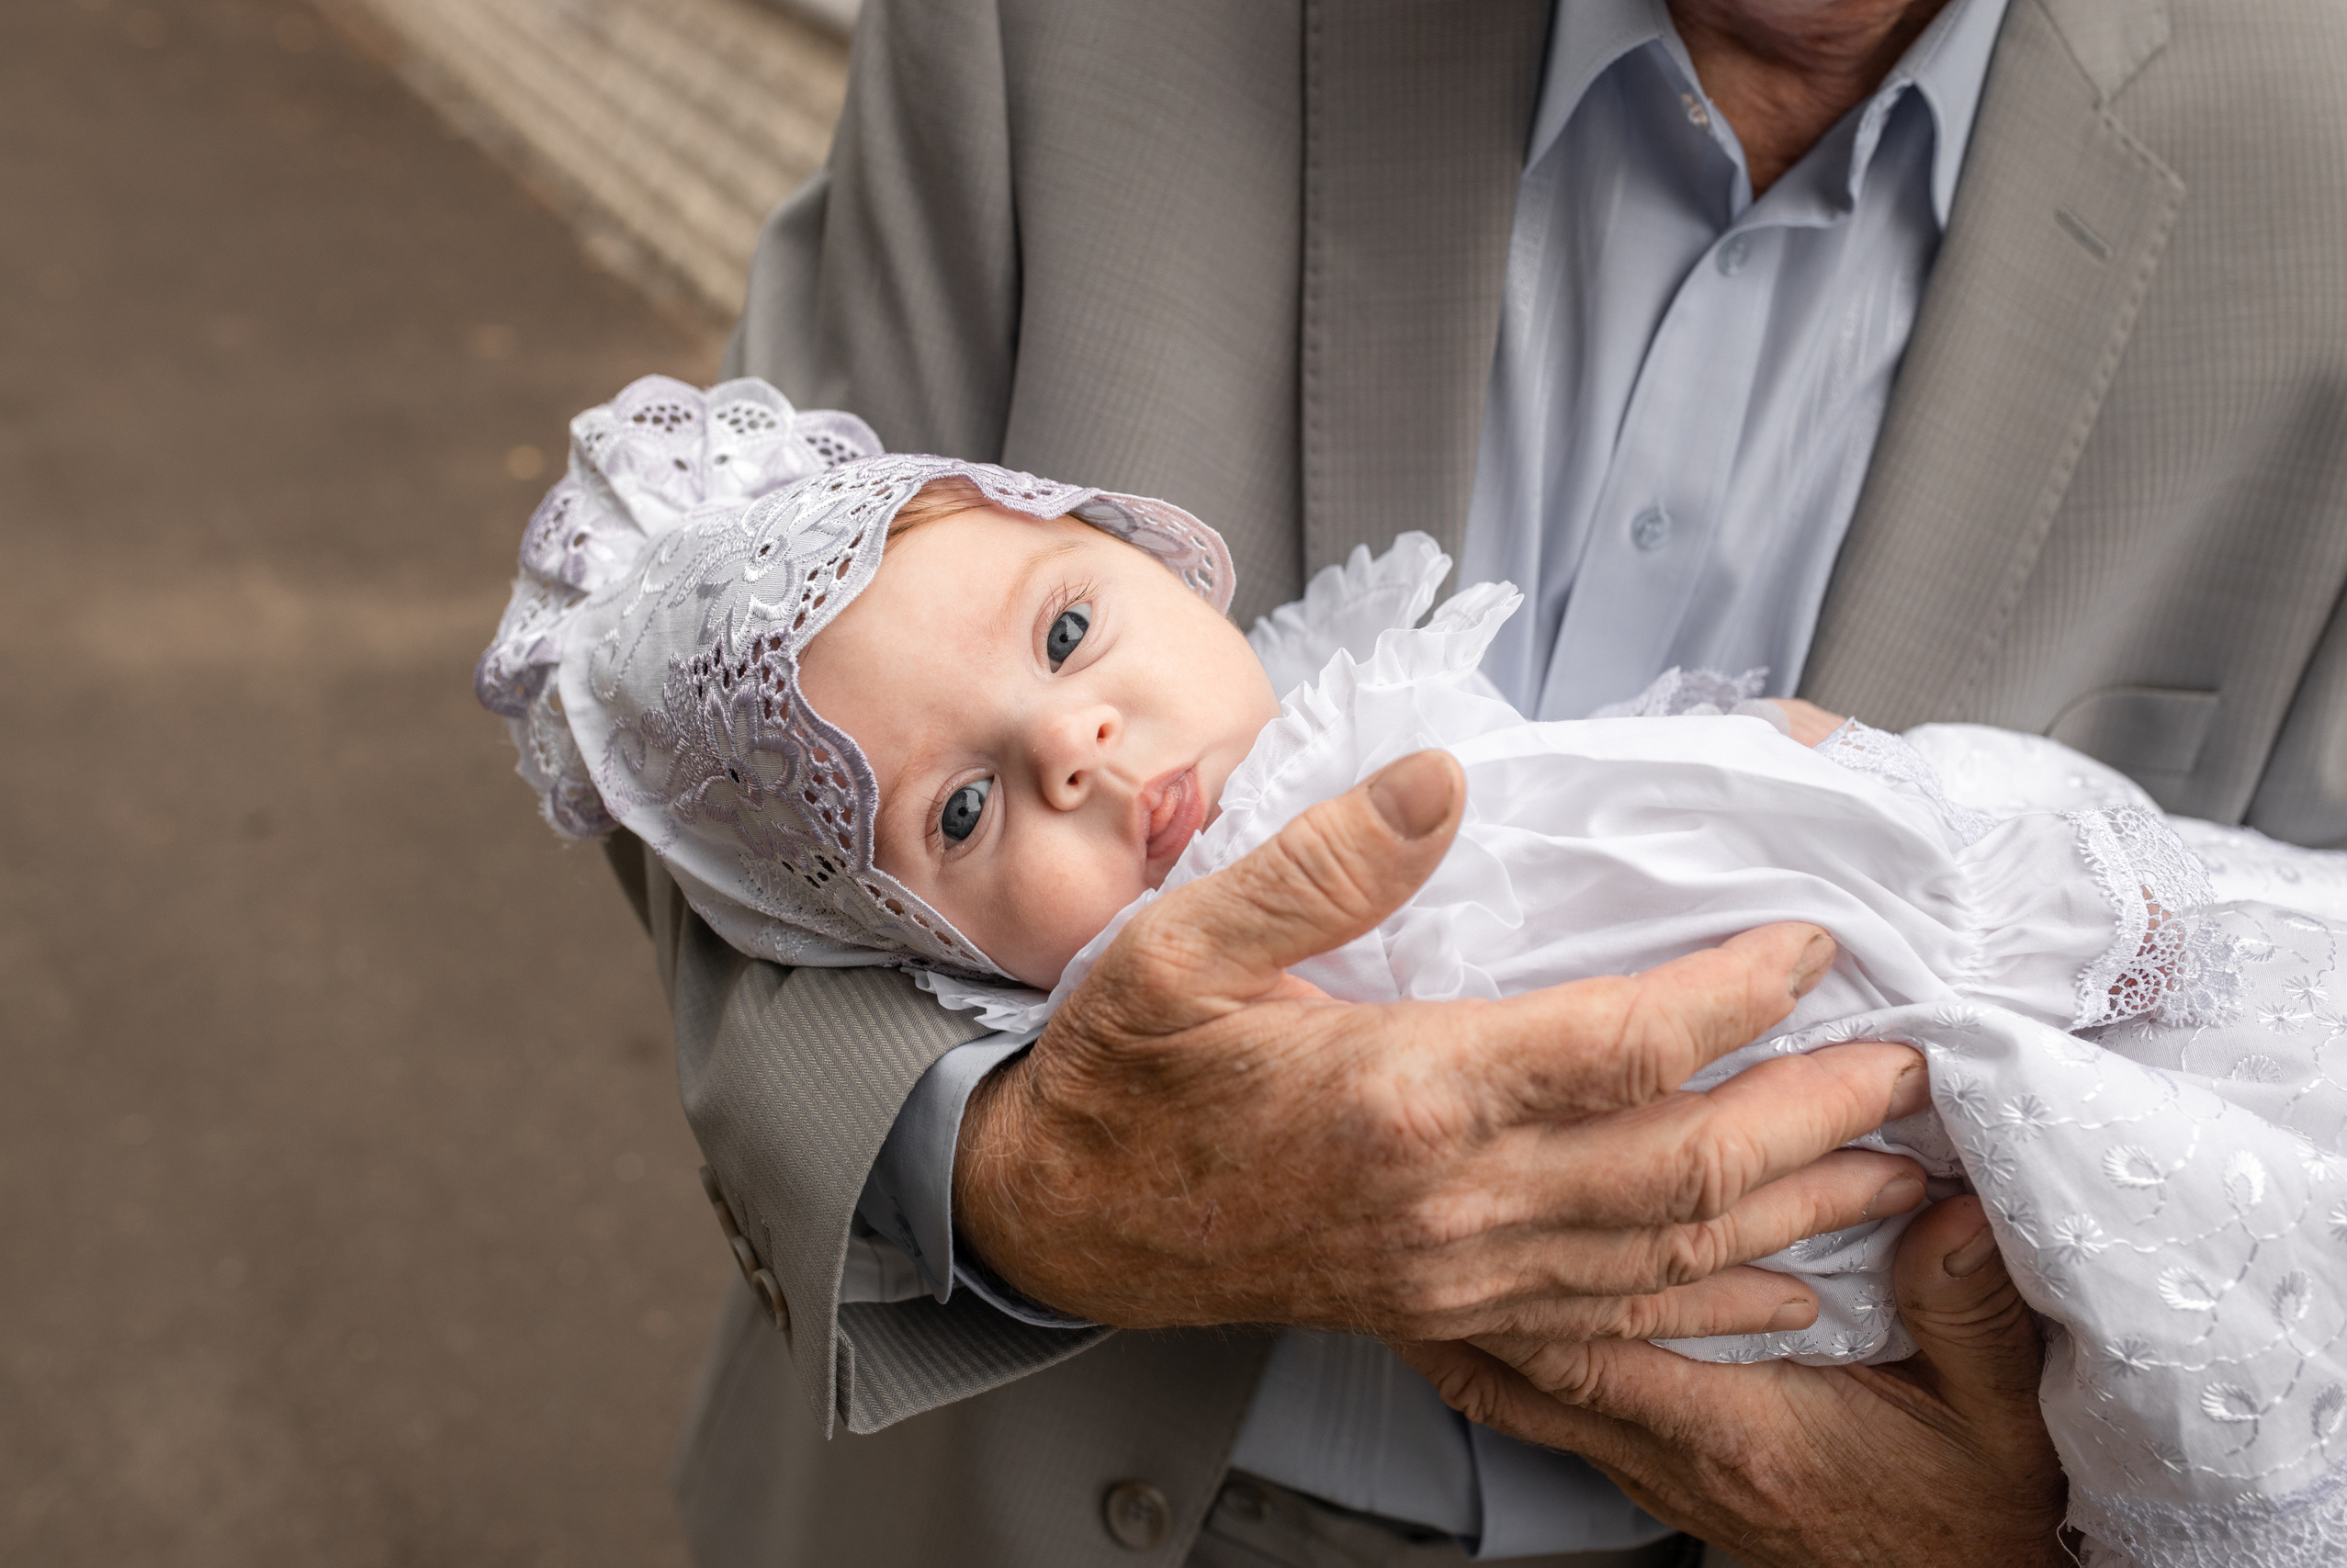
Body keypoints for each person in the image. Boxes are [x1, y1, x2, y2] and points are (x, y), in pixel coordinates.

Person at [610, 0, 2347, 1562]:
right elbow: (705, 754)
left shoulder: (2315, 157)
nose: (1073, 747)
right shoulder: (1058, 32)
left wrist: (2053, 1535)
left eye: (1070, 642)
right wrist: (1038, 1177)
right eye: (973, 808)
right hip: (1003, 1499)